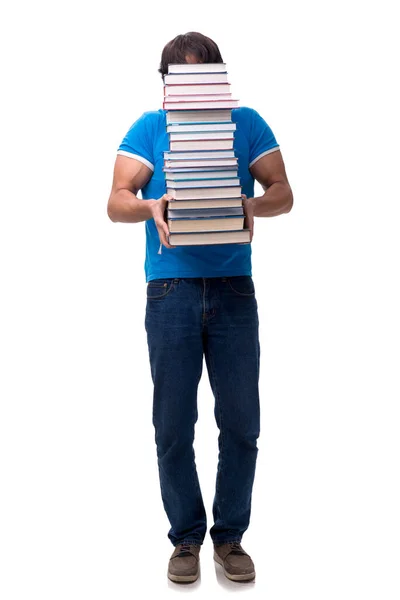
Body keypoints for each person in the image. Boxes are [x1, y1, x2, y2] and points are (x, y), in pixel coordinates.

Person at [107, 31, 293, 584]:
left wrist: (251, 202)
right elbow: (115, 201)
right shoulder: (150, 128)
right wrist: (149, 205)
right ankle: (185, 539)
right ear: (167, 85)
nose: (191, 93)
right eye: (179, 80)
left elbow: (284, 189)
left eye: (202, 78)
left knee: (240, 423)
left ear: (219, 79)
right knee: (172, 424)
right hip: (170, 292)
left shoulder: (247, 123)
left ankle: (230, 537)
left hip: (234, 287)